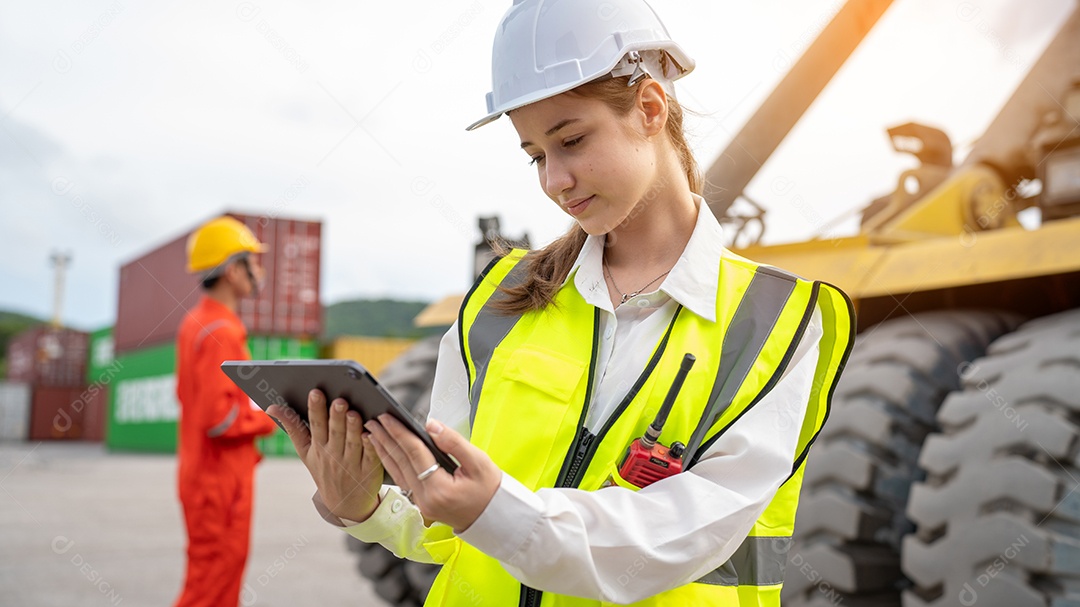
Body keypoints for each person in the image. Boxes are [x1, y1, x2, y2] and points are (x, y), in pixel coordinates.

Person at [269, 0, 854, 604]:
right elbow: (448, 523)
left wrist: (499, 512)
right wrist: (365, 506)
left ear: (650, 108)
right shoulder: (498, 303)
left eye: (570, 140)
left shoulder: (778, 322)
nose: (554, 181)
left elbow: (689, 532)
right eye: (535, 156)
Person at [174, 216, 279, 607]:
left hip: (208, 476)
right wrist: (273, 412)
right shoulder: (222, 329)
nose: (259, 271)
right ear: (233, 270)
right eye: (253, 262)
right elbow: (220, 419)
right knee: (212, 587)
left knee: (215, 578)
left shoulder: (196, 322)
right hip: (220, 483)